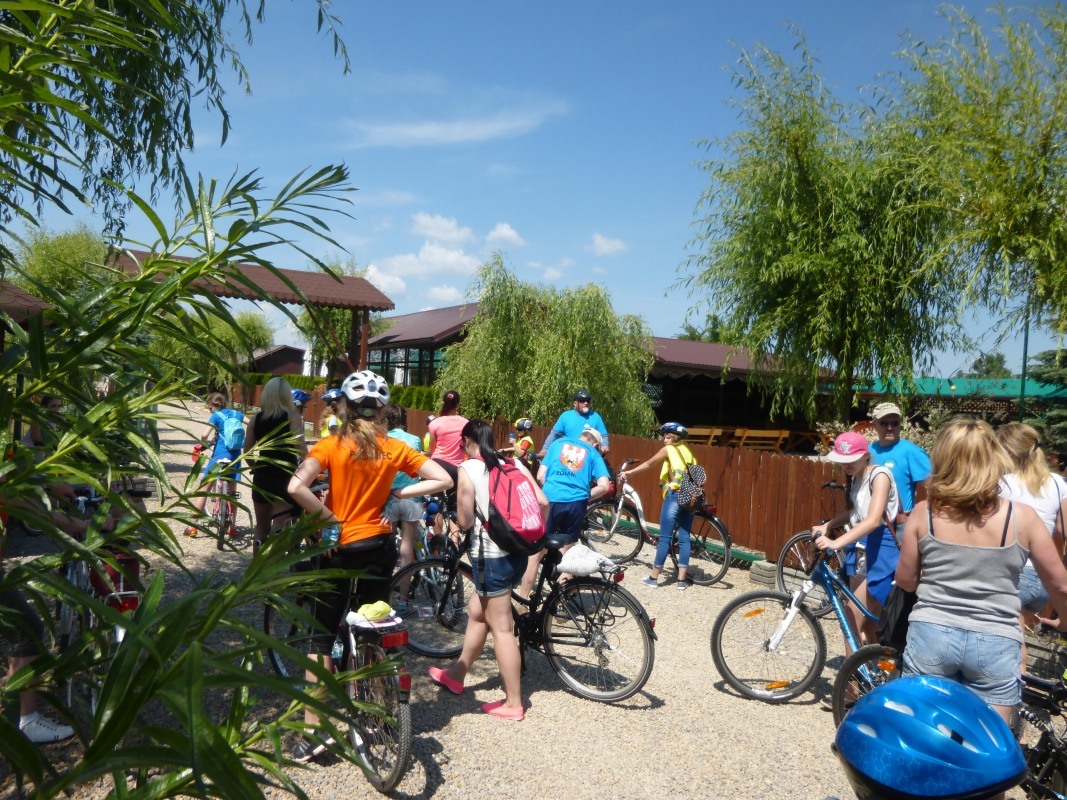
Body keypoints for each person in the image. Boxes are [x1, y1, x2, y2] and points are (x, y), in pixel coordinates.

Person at [286, 370, 451, 762]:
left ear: (345, 407)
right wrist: (398, 492)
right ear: (380, 410)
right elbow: (443, 478)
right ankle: (376, 713)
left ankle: (313, 731)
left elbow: (295, 487)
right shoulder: (394, 447)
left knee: (321, 639)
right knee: (373, 626)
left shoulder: (330, 444)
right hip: (379, 546)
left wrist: (329, 519)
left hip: (340, 548)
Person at [895, 418, 1067, 723]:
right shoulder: (1022, 518)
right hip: (995, 642)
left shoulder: (924, 513)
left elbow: (906, 581)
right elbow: (1060, 585)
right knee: (988, 739)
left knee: (925, 733)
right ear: (994, 457)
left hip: (932, 634)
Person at [428, 419, 548, 721]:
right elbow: (542, 502)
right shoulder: (513, 463)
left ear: (468, 441)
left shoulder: (468, 469)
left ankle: (514, 702)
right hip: (517, 553)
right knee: (477, 611)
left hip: (491, 557)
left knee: (502, 628)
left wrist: (456, 519)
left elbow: (466, 521)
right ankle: (456, 675)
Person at [813, 431, 900, 647]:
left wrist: (836, 543)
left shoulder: (880, 476)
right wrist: (828, 526)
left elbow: (873, 520)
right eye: (842, 460)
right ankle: (872, 667)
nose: (847, 464)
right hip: (862, 550)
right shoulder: (856, 477)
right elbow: (854, 513)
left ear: (865, 455)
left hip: (881, 553)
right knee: (868, 624)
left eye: (852, 459)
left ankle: (850, 671)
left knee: (850, 618)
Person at [519, 428, 610, 598]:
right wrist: (584, 496)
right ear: (596, 445)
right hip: (576, 504)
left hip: (550, 499)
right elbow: (604, 486)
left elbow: (540, 476)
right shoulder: (593, 453)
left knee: (536, 553)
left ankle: (523, 600)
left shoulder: (557, 444)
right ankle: (557, 602)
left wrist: (553, 489)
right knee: (567, 553)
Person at [997, 423, 1067, 632]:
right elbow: (1061, 530)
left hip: (1013, 576)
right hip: (1042, 579)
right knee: (1013, 632)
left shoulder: (1001, 484)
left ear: (1008, 453)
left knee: (1007, 637)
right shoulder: (1058, 483)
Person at [618, 422, 699, 591]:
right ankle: (681, 581)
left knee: (665, 537)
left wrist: (630, 472)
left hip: (675, 496)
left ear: (675, 437)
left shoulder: (668, 449)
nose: (664, 440)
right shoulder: (687, 450)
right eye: (664, 437)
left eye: (667, 437)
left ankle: (653, 578)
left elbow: (649, 464)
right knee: (684, 538)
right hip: (690, 496)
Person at [243, 377, 307, 551]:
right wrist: (312, 467)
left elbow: (247, 451)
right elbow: (301, 448)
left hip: (262, 477)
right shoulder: (292, 416)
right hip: (284, 476)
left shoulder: (256, 419)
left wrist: (255, 468)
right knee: (280, 525)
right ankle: (277, 566)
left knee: (261, 529)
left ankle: (257, 568)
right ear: (286, 395)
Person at [185, 393, 244, 537]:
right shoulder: (237, 414)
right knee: (232, 493)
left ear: (214, 405)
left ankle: (193, 527)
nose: (210, 411)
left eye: (210, 408)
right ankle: (232, 528)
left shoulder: (216, 416)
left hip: (219, 455)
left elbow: (205, 435)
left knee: (204, 490)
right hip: (235, 456)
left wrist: (203, 445)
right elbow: (252, 423)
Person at [868, 402, 931, 527]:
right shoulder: (868, 451)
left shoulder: (911, 451)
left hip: (898, 524)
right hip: (869, 523)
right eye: (884, 423)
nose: (890, 427)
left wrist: (921, 515)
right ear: (874, 424)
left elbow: (936, 486)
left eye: (895, 423)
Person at [383, 403, 423, 574]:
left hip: (388, 496)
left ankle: (386, 583)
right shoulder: (415, 440)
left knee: (387, 544)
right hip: (411, 495)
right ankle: (404, 590)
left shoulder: (382, 439)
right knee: (407, 547)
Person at [539, 389, 610, 456]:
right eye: (582, 401)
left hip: (589, 456)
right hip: (568, 455)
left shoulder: (595, 417)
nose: (585, 403)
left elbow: (603, 435)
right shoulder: (566, 416)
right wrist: (545, 449)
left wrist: (604, 445)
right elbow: (554, 434)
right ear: (575, 403)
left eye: (588, 401)